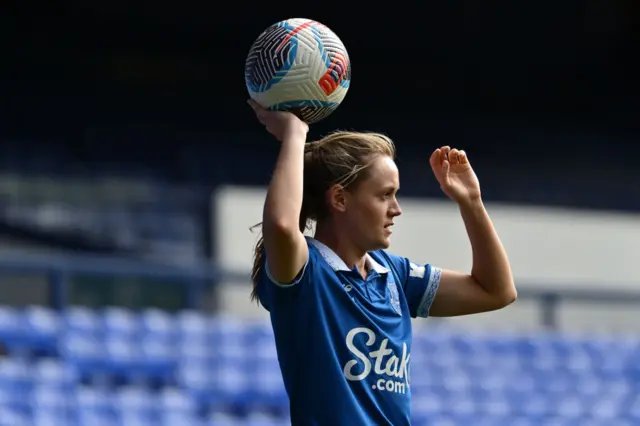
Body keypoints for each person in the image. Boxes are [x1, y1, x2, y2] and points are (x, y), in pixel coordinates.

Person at [248, 99, 516, 426]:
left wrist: (471, 202)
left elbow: (497, 292)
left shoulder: (395, 275)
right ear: (340, 199)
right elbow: (281, 225)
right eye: (384, 195)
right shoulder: (307, 272)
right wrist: (295, 133)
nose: (396, 208)